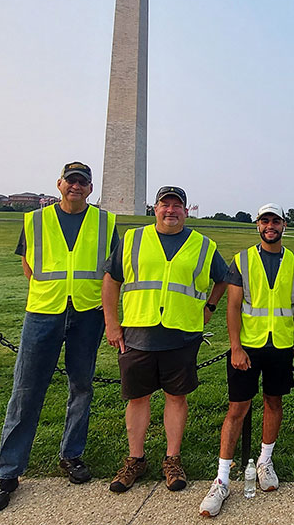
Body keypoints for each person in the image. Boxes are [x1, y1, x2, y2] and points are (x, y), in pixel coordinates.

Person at [0, 162, 118, 512]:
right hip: (43, 312)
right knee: (26, 390)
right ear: (59, 184)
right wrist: (52, 293)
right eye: (70, 181)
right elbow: (28, 265)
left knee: (82, 386)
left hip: (87, 312)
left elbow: (112, 270)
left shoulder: (106, 222)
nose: (76, 186)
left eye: (82, 182)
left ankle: (71, 455)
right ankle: (8, 472)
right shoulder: (35, 220)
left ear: (90, 188)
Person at [101, 186, 229, 495]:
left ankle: (172, 459)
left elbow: (223, 277)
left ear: (186, 211)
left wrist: (209, 308)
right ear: (154, 208)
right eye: (164, 204)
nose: (170, 210)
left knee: (176, 397)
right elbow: (111, 279)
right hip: (137, 332)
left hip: (182, 333)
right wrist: (111, 323)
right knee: (137, 398)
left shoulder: (203, 245)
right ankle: (135, 459)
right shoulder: (132, 239)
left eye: (177, 205)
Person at [199, 204, 294, 517]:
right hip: (248, 346)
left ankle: (264, 461)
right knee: (237, 409)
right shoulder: (242, 260)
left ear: (283, 225)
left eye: (275, 220)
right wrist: (235, 346)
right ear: (258, 225)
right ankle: (221, 480)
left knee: (274, 402)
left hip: (281, 345)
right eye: (264, 221)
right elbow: (233, 306)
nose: (270, 226)